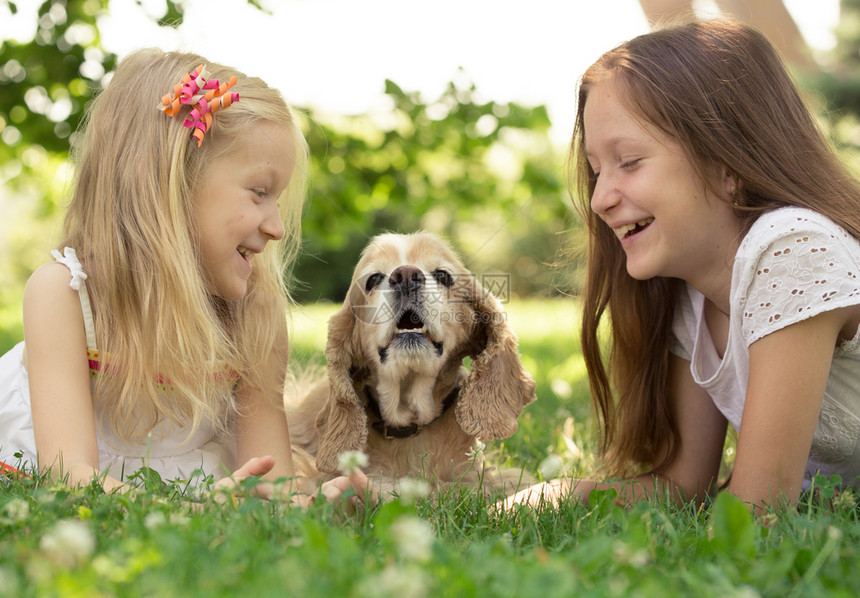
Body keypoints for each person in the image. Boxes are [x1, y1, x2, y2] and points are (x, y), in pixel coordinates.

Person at [504, 18, 860, 512]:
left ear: (727, 163)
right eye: (596, 170)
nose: (601, 198)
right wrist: (552, 496)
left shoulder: (792, 249)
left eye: (628, 161)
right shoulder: (692, 292)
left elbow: (757, 512)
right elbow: (683, 485)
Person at [0, 48, 366, 505]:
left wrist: (311, 506)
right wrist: (189, 510)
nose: (278, 227)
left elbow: (271, 481)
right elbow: (70, 476)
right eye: (259, 193)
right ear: (171, 184)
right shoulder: (64, 295)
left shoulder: (255, 309)